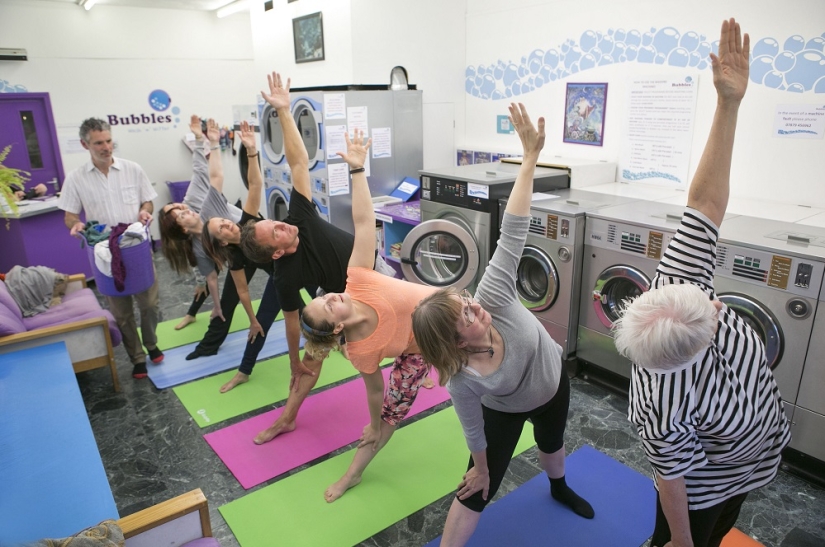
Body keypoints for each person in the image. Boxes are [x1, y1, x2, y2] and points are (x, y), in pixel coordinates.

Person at [613, 19, 790, 547]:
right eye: (713, 306)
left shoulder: (675, 288)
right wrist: (683, 540)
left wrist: (728, 103)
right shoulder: (659, 407)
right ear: (708, 329)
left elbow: (705, 202)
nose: (713, 297)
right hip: (706, 485)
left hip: (757, 451)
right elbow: (673, 477)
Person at [411, 103, 594, 547]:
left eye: (467, 301)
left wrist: (529, 158)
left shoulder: (491, 295)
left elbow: (513, 230)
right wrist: (483, 467)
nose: (476, 308)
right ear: (456, 345)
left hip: (553, 386)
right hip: (505, 409)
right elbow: (473, 430)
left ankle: (558, 487)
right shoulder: (462, 380)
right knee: (477, 488)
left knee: (552, 446)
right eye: (466, 316)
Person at [236, 71, 396, 443]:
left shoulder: (300, 218)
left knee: (421, 319)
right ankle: (287, 418)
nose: (282, 225)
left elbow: (297, 164)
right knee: (311, 362)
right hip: (343, 297)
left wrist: (285, 112)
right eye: (275, 231)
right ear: (276, 251)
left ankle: (430, 364)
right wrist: (294, 360)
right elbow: (293, 322)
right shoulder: (285, 276)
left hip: (377, 273)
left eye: (274, 221)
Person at [299, 126, 436, 503]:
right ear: (338, 326)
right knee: (386, 421)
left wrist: (358, 171)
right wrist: (374, 425)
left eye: (324, 296)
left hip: (443, 315)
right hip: (416, 350)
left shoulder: (358, 279)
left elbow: (362, 224)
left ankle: (441, 369)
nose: (330, 296)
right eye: (327, 305)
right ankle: (352, 475)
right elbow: (375, 390)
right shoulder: (361, 351)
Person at [59, 118, 164, 379]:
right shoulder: (75, 179)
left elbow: (148, 202)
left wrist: (144, 211)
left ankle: (151, 344)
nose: (106, 147)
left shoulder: (132, 169)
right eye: (99, 143)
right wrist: (76, 224)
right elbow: (69, 215)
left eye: (108, 140)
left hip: (136, 247)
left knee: (150, 304)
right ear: (85, 144)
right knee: (121, 312)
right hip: (104, 252)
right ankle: (137, 357)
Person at [159, 115, 243, 332]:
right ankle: (198, 314)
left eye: (176, 205)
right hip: (218, 247)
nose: (182, 208)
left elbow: (202, 171)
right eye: (176, 213)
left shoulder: (199, 203)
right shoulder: (193, 239)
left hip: (241, 230)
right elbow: (211, 277)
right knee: (206, 279)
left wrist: (200, 140)